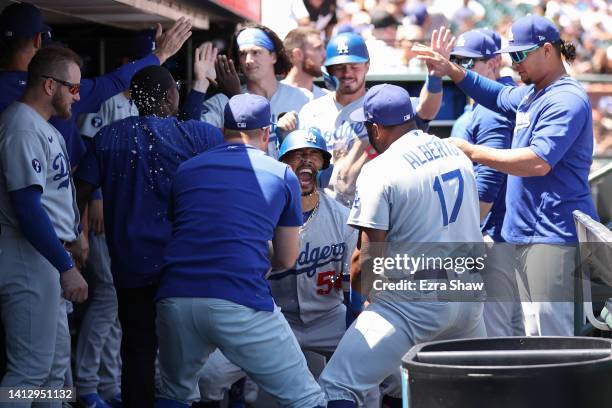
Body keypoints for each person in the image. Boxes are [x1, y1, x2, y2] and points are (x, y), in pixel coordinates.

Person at [415, 17, 598, 336]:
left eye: (519, 55)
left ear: (546, 50)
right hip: (524, 235)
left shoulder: (565, 97)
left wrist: (472, 152)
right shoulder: (534, 93)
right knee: (529, 336)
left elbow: (538, 162)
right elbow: (497, 96)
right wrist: (453, 70)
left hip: (551, 236)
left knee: (551, 341)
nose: (513, 64)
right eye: (510, 56)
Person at [317, 84, 486, 408]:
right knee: (460, 393)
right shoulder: (452, 150)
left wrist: (359, 300)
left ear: (376, 128)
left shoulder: (381, 168)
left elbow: (367, 260)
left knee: (336, 387)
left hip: (414, 305)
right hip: (469, 297)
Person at [155, 94, 326, 408]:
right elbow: (287, 259)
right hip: (238, 297)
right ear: (266, 134)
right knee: (307, 399)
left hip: (175, 297)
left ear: (223, 131)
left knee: (173, 396)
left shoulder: (187, 169)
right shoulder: (281, 173)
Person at [196, 128, 380, 407]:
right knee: (210, 375)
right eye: (297, 155)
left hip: (328, 318)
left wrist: (354, 330)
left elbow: (351, 282)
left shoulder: (341, 218)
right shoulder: (260, 213)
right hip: (274, 319)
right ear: (281, 164)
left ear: (324, 165)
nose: (306, 161)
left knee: (373, 371)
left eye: (314, 156)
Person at [74, 64, 223, 408]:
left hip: (131, 267)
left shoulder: (107, 138)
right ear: (172, 96)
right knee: (189, 353)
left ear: (133, 98)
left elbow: (77, 193)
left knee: (138, 352)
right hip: (185, 268)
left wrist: (72, 238)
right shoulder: (201, 137)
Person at [0, 45, 89, 407]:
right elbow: (27, 207)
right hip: (27, 258)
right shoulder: (20, 125)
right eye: (73, 88)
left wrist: (76, 235)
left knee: (53, 370)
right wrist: (66, 266)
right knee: (29, 372)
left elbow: (55, 197)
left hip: (46, 257)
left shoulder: (44, 127)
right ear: (50, 85)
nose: (78, 96)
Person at [0, 2, 192, 168]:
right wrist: (160, 55)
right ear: (38, 39)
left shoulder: (48, 88)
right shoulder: (59, 87)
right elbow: (115, 81)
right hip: (50, 200)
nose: (75, 95)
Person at [298, 30, 451, 206]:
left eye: (354, 66)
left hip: (373, 205)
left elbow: (425, 112)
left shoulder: (383, 103)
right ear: (329, 69)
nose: (347, 73)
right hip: (323, 208)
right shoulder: (311, 111)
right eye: (340, 67)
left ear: (367, 66)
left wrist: (435, 77)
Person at [449, 29, 524, 337]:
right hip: (506, 233)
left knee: (497, 336)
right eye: (455, 61)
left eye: (468, 62)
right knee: (516, 333)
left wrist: (466, 236)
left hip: (493, 235)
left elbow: (488, 182)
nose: (459, 69)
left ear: (493, 63)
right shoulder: (498, 98)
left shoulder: (493, 109)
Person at [202, 24, 310, 158]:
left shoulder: (303, 98)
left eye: (256, 52)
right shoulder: (222, 101)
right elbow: (198, 140)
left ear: (273, 56)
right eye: (242, 54)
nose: (248, 60)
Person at [282, 27, 329, 100]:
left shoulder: (327, 98)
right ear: (298, 54)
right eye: (318, 48)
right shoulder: (274, 96)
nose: (324, 55)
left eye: (324, 48)